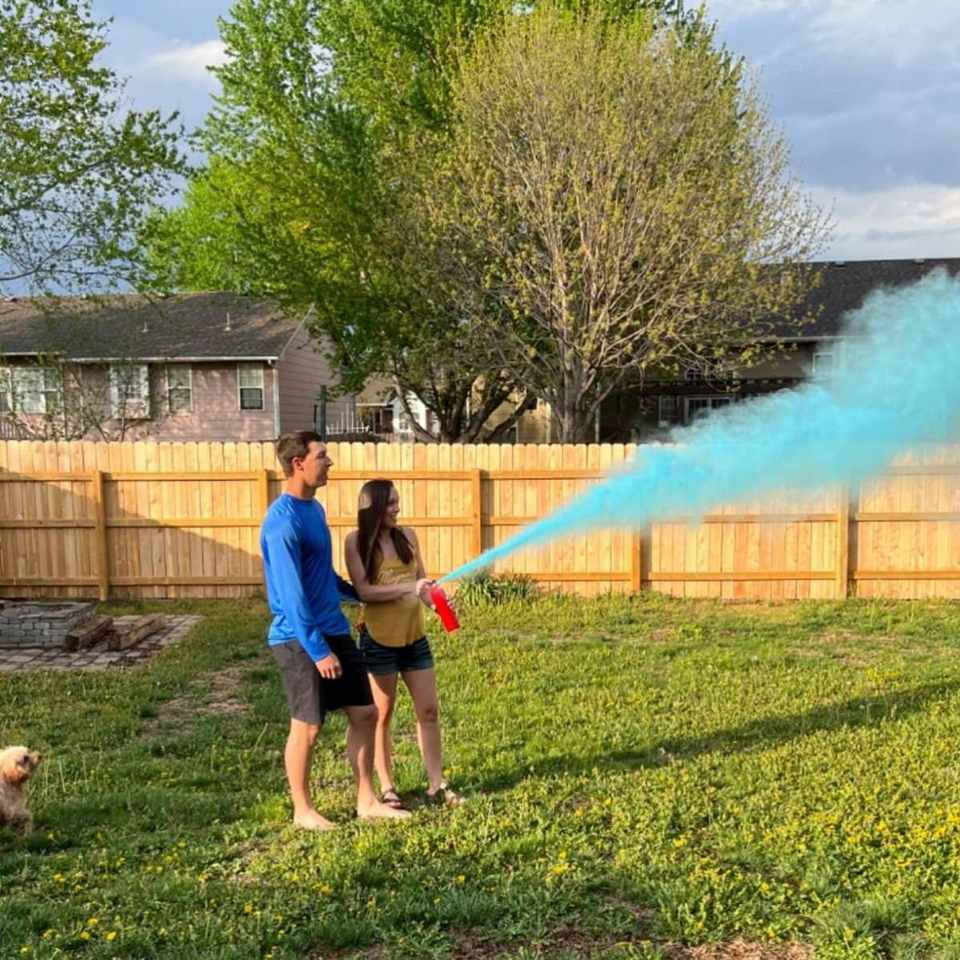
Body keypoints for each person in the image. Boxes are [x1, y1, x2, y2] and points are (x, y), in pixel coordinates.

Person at [260, 432, 410, 829]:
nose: (330, 462)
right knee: (308, 726)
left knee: (365, 714)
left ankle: (367, 800)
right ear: (298, 464)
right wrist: (318, 650)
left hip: (333, 629)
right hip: (298, 638)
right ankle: (303, 810)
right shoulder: (282, 522)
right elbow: (291, 595)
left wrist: (358, 594)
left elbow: (320, 574)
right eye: (322, 456)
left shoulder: (314, 509)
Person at [344, 479, 463, 809]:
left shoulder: (408, 536)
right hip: (379, 641)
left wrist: (439, 604)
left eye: (397, 502)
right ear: (373, 507)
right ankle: (387, 786)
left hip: (414, 638)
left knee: (429, 710)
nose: (397, 508)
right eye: (391, 503)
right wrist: (410, 587)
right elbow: (365, 592)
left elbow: (422, 586)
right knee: (382, 714)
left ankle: (436, 783)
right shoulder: (356, 542)